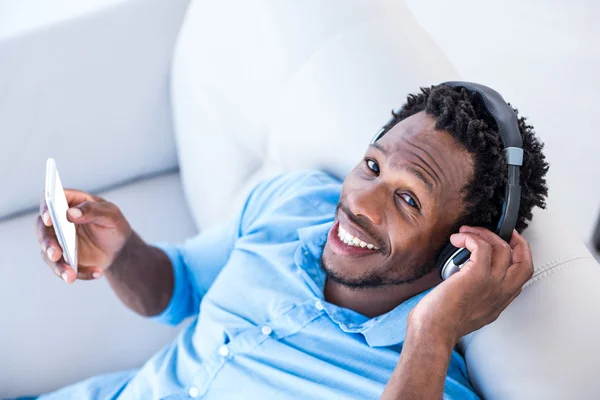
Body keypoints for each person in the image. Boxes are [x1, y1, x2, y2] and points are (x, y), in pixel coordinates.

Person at [34, 83, 548, 399]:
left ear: (461, 249)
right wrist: (121, 251)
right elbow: (180, 289)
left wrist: (433, 331)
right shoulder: (295, 201)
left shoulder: (422, 376)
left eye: (408, 200)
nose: (361, 203)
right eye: (371, 166)